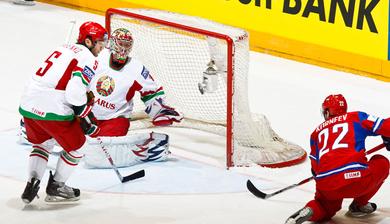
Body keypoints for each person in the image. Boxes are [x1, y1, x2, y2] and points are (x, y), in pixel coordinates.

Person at [19, 21, 107, 204]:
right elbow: (74, 93)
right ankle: (57, 186)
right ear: (89, 41)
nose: (102, 47)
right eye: (100, 42)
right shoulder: (89, 59)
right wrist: (84, 112)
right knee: (78, 147)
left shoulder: (63, 47)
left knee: (43, 144)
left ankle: (31, 185)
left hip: (29, 103)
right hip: (53, 108)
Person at [80, 27, 183, 168]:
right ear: (112, 43)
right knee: (69, 142)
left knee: (100, 154)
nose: (123, 49)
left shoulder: (137, 69)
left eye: (127, 45)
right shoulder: (98, 56)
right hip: (87, 114)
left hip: (114, 119)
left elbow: (151, 92)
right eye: (120, 44)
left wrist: (159, 111)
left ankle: (151, 147)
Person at [285, 94, 390, 224]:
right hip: (357, 180)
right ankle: (359, 205)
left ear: (327, 112)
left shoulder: (316, 133)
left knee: (324, 207)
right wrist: (387, 137)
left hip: (327, 184)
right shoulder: (356, 117)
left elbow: (315, 169)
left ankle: (310, 210)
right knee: (382, 162)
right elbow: (387, 126)